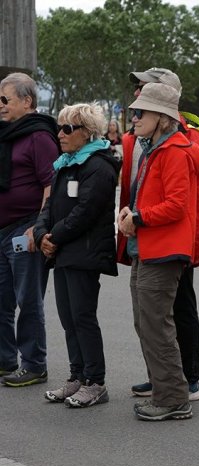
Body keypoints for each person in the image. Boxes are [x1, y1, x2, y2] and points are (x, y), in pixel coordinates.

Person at [118, 67, 199, 402]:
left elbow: (194, 198)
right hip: (147, 240)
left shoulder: (182, 144)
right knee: (151, 319)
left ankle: (183, 383)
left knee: (173, 314)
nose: (136, 100)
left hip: (171, 244)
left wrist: (195, 242)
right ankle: (164, 379)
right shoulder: (147, 142)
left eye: (144, 93)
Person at [33, 103, 120, 407]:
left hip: (84, 253)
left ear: (87, 132)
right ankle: (77, 376)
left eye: (68, 129)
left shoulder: (98, 165)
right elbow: (48, 207)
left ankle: (95, 382)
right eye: (59, 127)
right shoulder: (64, 163)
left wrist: (52, 237)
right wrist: (40, 234)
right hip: (63, 252)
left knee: (83, 318)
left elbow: (85, 212)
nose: (60, 134)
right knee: (69, 318)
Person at [0, 72, 60, 387]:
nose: (1, 106)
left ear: (27, 101)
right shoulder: (7, 133)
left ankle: (34, 364)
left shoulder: (39, 136)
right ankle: (5, 359)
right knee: (2, 299)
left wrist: (38, 227)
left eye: (5, 99)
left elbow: (51, 183)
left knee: (28, 299)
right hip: (2, 230)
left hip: (24, 230)